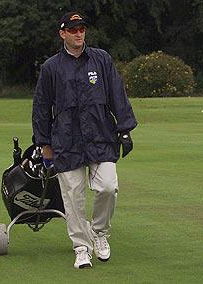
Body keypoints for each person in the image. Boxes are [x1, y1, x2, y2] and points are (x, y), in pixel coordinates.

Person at [32, 12, 137, 269]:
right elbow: (42, 107)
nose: (79, 33)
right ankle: (81, 247)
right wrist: (44, 144)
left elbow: (116, 93)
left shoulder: (101, 59)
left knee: (108, 187)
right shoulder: (51, 67)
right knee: (74, 198)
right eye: (73, 29)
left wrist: (124, 129)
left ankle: (99, 233)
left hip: (101, 137)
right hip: (66, 141)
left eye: (82, 29)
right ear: (63, 34)